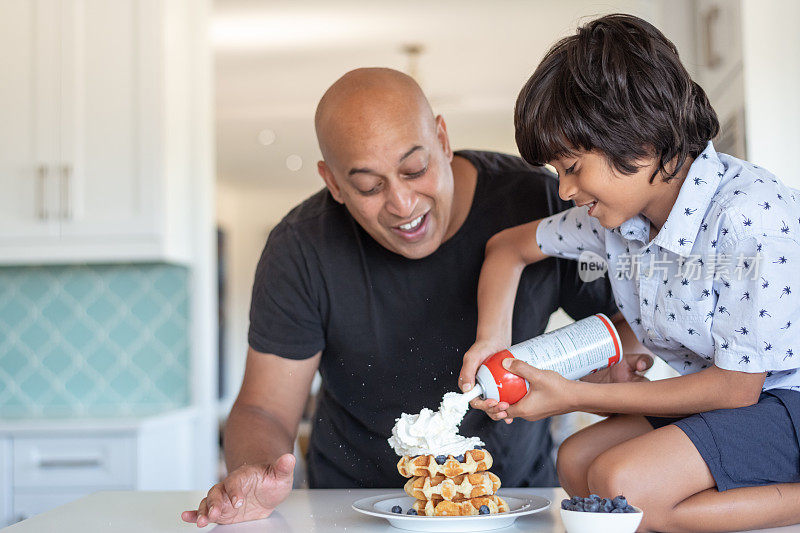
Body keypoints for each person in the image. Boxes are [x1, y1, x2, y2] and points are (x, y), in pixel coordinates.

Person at [181, 67, 651, 527]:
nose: (402, 205)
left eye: (415, 169)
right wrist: (255, 471)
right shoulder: (301, 248)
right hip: (350, 508)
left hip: (514, 504)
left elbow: (634, 322)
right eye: (368, 186)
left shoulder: (538, 204)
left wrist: (601, 378)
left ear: (443, 141)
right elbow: (264, 406)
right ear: (334, 183)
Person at [461, 14, 800, 532]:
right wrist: (491, 342)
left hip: (783, 398)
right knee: (577, 461)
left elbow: (736, 390)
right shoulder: (620, 219)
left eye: (573, 167)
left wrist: (573, 395)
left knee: (626, 485)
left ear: (639, 140)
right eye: (558, 173)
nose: (567, 191)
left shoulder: (748, 217)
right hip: (740, 401)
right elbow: (507, 249)